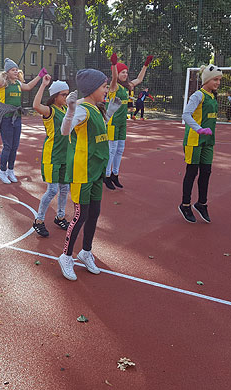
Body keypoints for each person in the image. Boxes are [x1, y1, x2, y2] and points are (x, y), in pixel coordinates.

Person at [57, 69, 122, 281]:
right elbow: (65, 131)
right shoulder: (82, 110)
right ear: (93, 88)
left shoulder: (95, 108)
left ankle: (85, 252)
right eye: (104, 86)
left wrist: (110, 113)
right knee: (80, 215)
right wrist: (69, 111)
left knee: (94, 213)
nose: (106, 90)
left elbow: (97, 132)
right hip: (82, 171)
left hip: (95, 170)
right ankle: (66, 256)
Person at [0, 52, 42, 184]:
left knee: (15, 146)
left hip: (16, 118)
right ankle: (2, 171)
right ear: (7, 72)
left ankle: (10, 170)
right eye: (13, 70)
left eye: (17, 69)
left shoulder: (18, 83)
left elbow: (28, 87)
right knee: (7, 146)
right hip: (6, 118)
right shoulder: (3, 83)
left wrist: (39, 76)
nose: (16, 71)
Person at [179, 64, 222, 224]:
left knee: (206, 172)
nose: (218, 83)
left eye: (219, 80)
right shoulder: (198, 95)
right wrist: (198, 129)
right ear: (207, 79)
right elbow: (186, 114)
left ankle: (202, 203)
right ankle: (185, 204)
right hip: (194, 140)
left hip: (208, 142)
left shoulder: (213, 96)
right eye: (215, 79)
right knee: (192, 172)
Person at [104, 53, 153, 190]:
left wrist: (145, 65)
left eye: (126, 72)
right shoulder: (114, 86)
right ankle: (106, 176)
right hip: (112, 122)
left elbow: (139, 78)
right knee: (111, 150)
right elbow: (114, 77)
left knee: (120, 150)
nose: (125, 74)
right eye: (122, 72)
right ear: (118, 73)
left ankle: (115, 174)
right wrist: (114, 65)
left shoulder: (127, 86)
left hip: (122, 123)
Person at [31, 75, 70, 237]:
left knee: (64, 188)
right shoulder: (50, 111)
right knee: (53, 189)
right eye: (64, 95)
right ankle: (39, 220)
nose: (66, 97)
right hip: (52, 156)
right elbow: (35, 105)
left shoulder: (66, 109)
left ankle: (60, 216)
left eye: (67, 94)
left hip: (65, 156)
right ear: (55, 96)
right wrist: (43, 85)